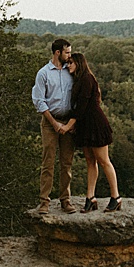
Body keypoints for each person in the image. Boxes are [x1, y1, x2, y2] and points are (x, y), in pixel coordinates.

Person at [62, 52, 121, 212]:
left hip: (95, 124)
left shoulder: (87, 79)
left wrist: (68, 126)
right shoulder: (78, 80)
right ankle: (91, 198)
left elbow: (82, 106)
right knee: (90, 161)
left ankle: (115, 197)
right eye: (67, 63)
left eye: (71, 63)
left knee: (104, 161)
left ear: (79, 63)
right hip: (85, 125)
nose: (68, 66)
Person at [32, 39, 79, 213]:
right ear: (57, 53)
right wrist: (54, 123)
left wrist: (71, 122)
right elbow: (39, 101)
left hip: (68, 122)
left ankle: (65, 200)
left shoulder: (71, 72)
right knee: (48, 162)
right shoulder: (43, 73)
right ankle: (44, 201)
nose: (70, 56)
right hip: (49, 123)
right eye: (67, 52)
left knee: (67, 163)